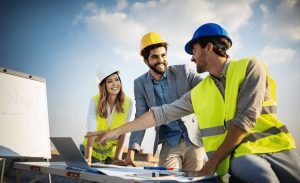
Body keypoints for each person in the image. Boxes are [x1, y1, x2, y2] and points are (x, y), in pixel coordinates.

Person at [90, 23, 300, 182]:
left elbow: (244, 119)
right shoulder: (199, 91)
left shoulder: (249, 67)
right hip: (238, 156)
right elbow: (158, 114)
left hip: (278, 148)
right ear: (146, 60)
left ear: (209, 48)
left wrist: (211, 164)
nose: (191, 58)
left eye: (194, 51)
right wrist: (114, 132)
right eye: (155, 56)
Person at [119, 32, 205, 171]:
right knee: (166, 179)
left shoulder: (183, 71)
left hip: (194, 140)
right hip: (169, 142)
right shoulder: (140, 84)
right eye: (155, 57)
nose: (161, 60)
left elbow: (208, 86)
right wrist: (131, 153)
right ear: (146, 60)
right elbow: (140, 118)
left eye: (163, 55)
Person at [83, 64, 133, 165]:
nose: (115, 84)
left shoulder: (128, 103)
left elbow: (124, 131)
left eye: (117, 80)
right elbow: (91, 131)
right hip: (92, 150)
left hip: (111, 153)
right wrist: (88, 158)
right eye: (110, 81)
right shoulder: (94, 101)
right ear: (103, 85)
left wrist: (117, 157)